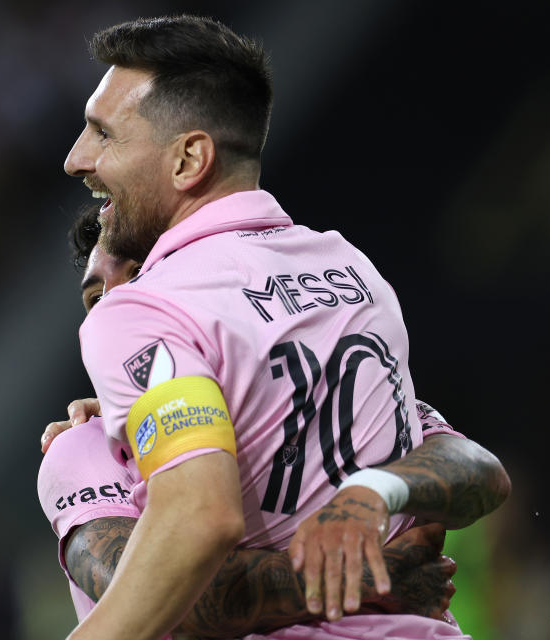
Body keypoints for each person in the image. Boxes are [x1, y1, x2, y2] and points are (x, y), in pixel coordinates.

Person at [59, 16, 509, 640]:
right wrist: (371, 542)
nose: (75, 158)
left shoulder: (146, 313)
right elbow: (467, 465)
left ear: (190, 158)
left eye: (103, 134)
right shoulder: (348, 272)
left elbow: (194, 532)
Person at [38, 210, 507, 638]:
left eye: (138, 275)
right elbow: (155, 600)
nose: (115, 306)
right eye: (96, 298)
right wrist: (373, 576)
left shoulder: (314, 393)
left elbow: (481, 472)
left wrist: (378, 489)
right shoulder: (84, 449)